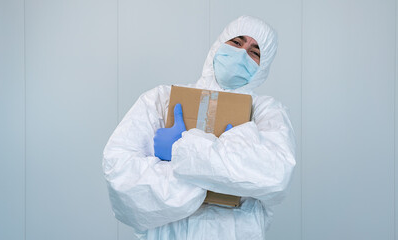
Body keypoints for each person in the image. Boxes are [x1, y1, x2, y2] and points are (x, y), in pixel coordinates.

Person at [103, 15, 296, 240]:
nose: (242, 53)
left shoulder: (267, 112)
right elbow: (120, 175)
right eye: (236, 42)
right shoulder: (162, 99)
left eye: (255, 52)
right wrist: (217, 175)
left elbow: (275, 175)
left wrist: (181, 150)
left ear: (264, 67)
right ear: (218, 44)